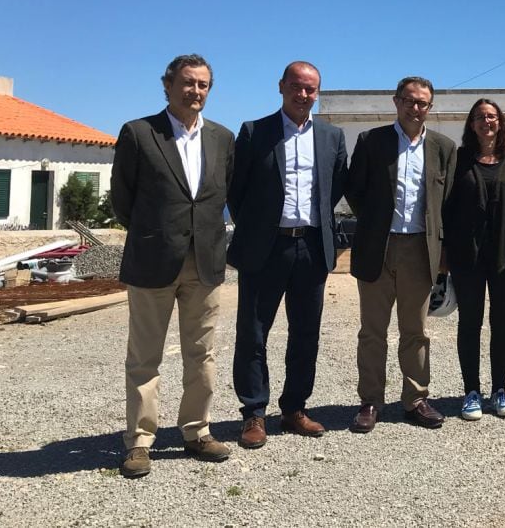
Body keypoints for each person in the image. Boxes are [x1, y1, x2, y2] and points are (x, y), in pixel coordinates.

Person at [110, 54, 234, 479]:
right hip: (152, 260)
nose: (194, 91)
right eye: (187, 83)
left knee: (203, 353)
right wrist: (157, 234)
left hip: (205, 263)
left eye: (202, 84)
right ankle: (140, 441)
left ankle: (197, 431)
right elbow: (122, 200)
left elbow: (221, 195)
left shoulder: (222, 138)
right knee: (145, 356)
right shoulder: (140, 133)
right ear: (168, 85)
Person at [228, 61, 348, 448]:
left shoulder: (332, 136)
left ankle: (295, 408)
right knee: (253, 332)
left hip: (311, 247)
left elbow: (337, 186)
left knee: (306, 333)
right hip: (266, 246)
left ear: (318, 93)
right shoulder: (254, 132)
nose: (303, 95)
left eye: (311, 89)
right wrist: (258, 226)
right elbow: (237, 189)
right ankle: (254, 413)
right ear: (281, 87)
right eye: (296, 87)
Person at [344, 77, 457, 431]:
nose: (415, 108)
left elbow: (448, 203)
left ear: (430, 107)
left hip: (421, 249)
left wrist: (445, 252)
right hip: (378, 246)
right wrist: (376, 222)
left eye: (422, 103)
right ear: (396, 102)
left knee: (416, 330)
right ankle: (370, 401)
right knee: (372, 330)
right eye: (409, 101)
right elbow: (354, 190)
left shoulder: (443, 147)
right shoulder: (371, 141)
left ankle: (416, 398)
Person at [443, 99, 505, 420]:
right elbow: (447, 209)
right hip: (467, 257)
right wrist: (444, 255)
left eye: (491, 116)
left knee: (503, 323)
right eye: (480, 117)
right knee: (469, 324)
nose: (486, 121)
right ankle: (471, 392)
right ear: (472, 124)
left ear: (500, 122)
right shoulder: (459, 160)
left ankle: (500, 390)